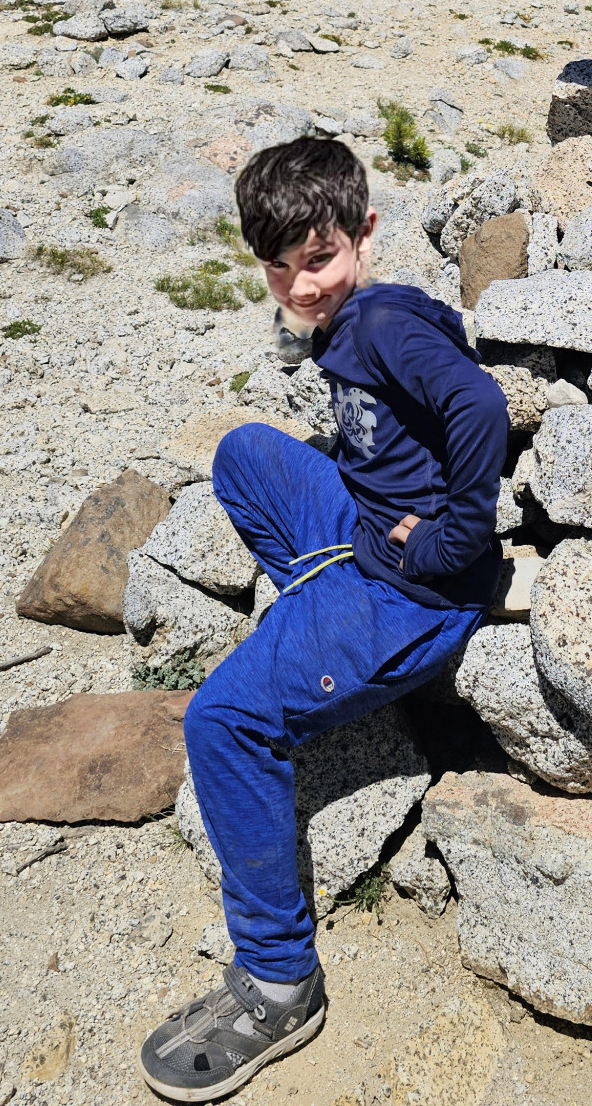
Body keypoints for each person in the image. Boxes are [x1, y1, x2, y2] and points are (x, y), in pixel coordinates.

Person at [138, 137, 508, 1101]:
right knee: (245, 453)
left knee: (222, 720)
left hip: (409, 591)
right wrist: (306, 324)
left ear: (364, 233)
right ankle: (312, 617)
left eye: (319, 260)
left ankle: (279, 980)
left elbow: (479, 405)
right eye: (279, 267)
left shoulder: (382, 325)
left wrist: (450, 542)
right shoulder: (338, 316)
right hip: (361, 529)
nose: (300, 286)